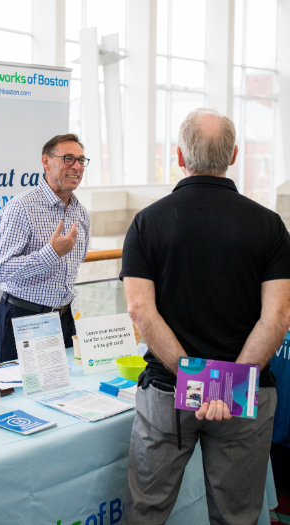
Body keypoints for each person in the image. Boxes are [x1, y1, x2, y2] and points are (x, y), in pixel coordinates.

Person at [120, 108, 290, 525]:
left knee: (146, 513)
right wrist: (226, 388)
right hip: (244, 396)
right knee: (237, 518)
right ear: (233, 155)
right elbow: (278, 317)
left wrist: (196, 382)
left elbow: (140, 310)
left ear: (179, 156)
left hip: (167, 393)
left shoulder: (146, 223)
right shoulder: (270, 226)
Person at [0, 133, 90, 363]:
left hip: (66, 319)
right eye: (68, 158)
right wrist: (51, 253)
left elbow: (77, 261)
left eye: (81, 160)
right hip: (24, 319)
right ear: (46, 162)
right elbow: (0, 269)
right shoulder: (21, 207)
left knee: (67, 381)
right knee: (16, 384)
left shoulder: (82, 213)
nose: (77, 166)